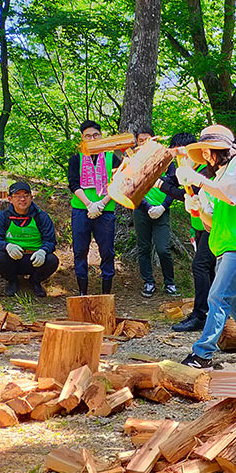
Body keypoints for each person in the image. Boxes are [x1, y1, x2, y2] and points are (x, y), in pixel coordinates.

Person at [179, 125, 236, 369]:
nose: (205, 156)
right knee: (235, 301)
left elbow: (230, 194)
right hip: (226, 246)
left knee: (218, 296)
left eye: (208, 151)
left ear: (219, 149)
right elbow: (210, 224)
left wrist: (196, 179)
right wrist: (196, 207)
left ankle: (202, 354)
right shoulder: (214, 179)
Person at [164, 132, 217, 333]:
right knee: (208, 269)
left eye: (183, 155)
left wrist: (160, 185)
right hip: (200, 226)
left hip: (214, 226)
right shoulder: (187, 171)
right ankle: (211, 312)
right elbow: (178, 186)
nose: (180, 161)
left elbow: (187, 193)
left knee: (200, 266)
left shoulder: (205, 172)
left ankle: (201, 314)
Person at [68, 120, 124, 295]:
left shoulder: (111, 157)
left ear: (101, 136)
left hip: (105, 210)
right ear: (82, 138)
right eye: (88, 136)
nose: (92, 138)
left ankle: (106, 293)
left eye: (95, 135)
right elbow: (73, 184)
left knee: (107, 251)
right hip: (81, 209)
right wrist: (89, 204)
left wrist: (101, 203)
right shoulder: (76, 158)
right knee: (80, 250)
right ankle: (82, 292)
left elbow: (118, 182)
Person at [0, 181, 59, 297]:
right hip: (12, 259)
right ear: (10, 199)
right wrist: (7, 246)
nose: (22, 199)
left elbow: (50, 241)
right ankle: (12, 281)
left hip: (35, 260)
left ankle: (35, 281)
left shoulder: (41, 217)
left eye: (26, 195)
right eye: (18, 196)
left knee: (52, 260)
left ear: (31, 197)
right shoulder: (3, 217)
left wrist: (43, 251)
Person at [132, 129, 178, 298]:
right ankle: (148, 282)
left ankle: (170, 282)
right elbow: (133, 187)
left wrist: (163, 207)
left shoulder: (166, 160)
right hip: (142, 210)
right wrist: (147, 207)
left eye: (147, 139)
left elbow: (174, 185)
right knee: (143, 247)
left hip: (162, 211)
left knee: (163, 248)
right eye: (140, 139)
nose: (143, 142)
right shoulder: (134, 162)